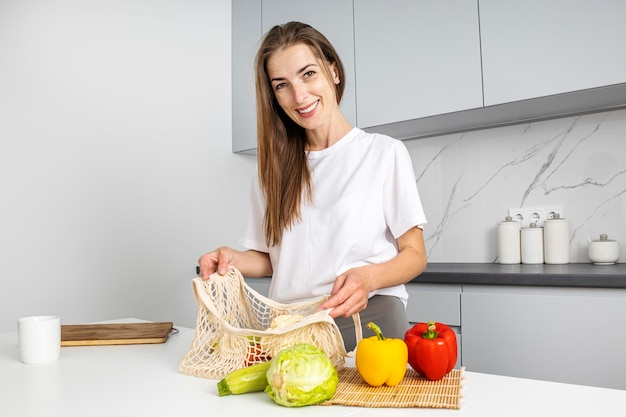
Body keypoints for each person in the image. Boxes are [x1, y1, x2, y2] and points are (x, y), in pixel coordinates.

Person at [198, 21, 427, 351]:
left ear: (333, 71)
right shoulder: (271, 173)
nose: (299, 95)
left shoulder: (383, 153)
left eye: (308, 74)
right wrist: (230, 258)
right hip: (289, 328)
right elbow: (272, 259)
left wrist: (369, 278)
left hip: (365, 323)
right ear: (274, 97)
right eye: (282, 85)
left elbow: (415, 255)